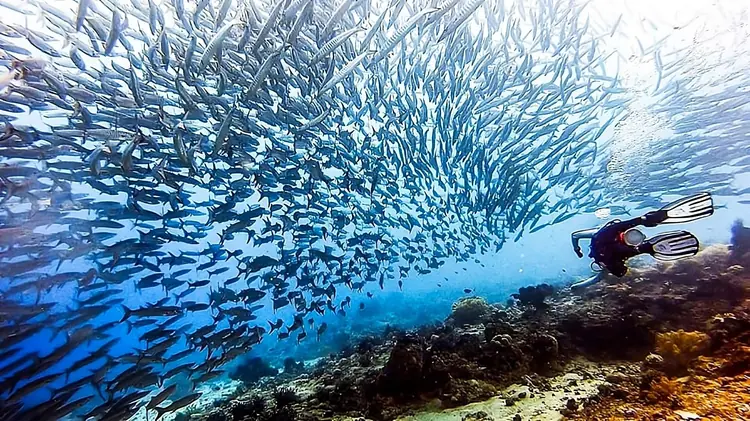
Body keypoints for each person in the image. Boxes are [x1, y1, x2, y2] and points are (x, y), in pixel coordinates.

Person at [570, 192, 714, 289]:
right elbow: (620, 271)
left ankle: (577, 287)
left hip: (608, 256)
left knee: (603, 274)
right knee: (602, 275)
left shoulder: (605, 236)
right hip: (607, 259)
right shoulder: (604, 239)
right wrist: (643, 222)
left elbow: (575, 236)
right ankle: (578, 287)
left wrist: (577, 249)